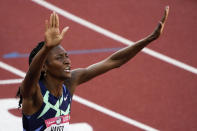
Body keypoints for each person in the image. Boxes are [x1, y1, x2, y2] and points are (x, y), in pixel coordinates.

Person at [16, 6, 169, 131]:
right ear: (44, 67)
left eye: (66, 56)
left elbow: (114, 61)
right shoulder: (34, 94)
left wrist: (149, 39)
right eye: (59, 58)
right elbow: (30, 76)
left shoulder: (69, 84)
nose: (67, 61)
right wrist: (46, 49)